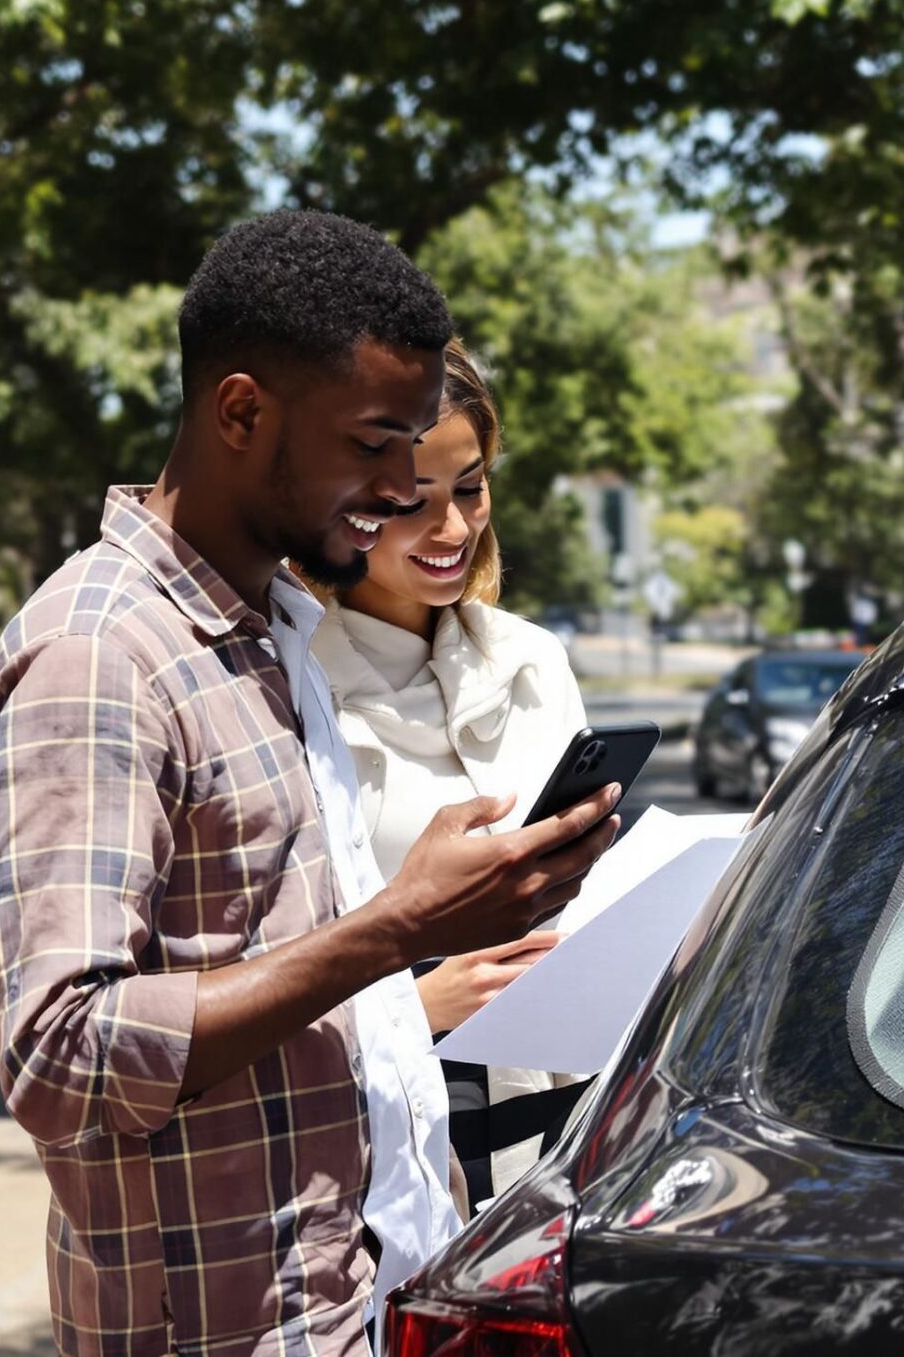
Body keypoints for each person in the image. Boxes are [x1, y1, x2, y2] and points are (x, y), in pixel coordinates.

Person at [0, 210, 622, 1357]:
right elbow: (60, 1058)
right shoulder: (99, 655)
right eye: (373, 445)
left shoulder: (268, 627)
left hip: (346, 1303)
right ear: (238, 411)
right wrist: (400, 926)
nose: (396, 490)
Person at [306, 339, 588, 1236]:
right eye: (412, 501)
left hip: (569, 1109)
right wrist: (413, 1009)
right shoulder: (287, 686)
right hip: (388, 1138)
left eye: (469, 487)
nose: (454, 529)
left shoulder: (534, 659)